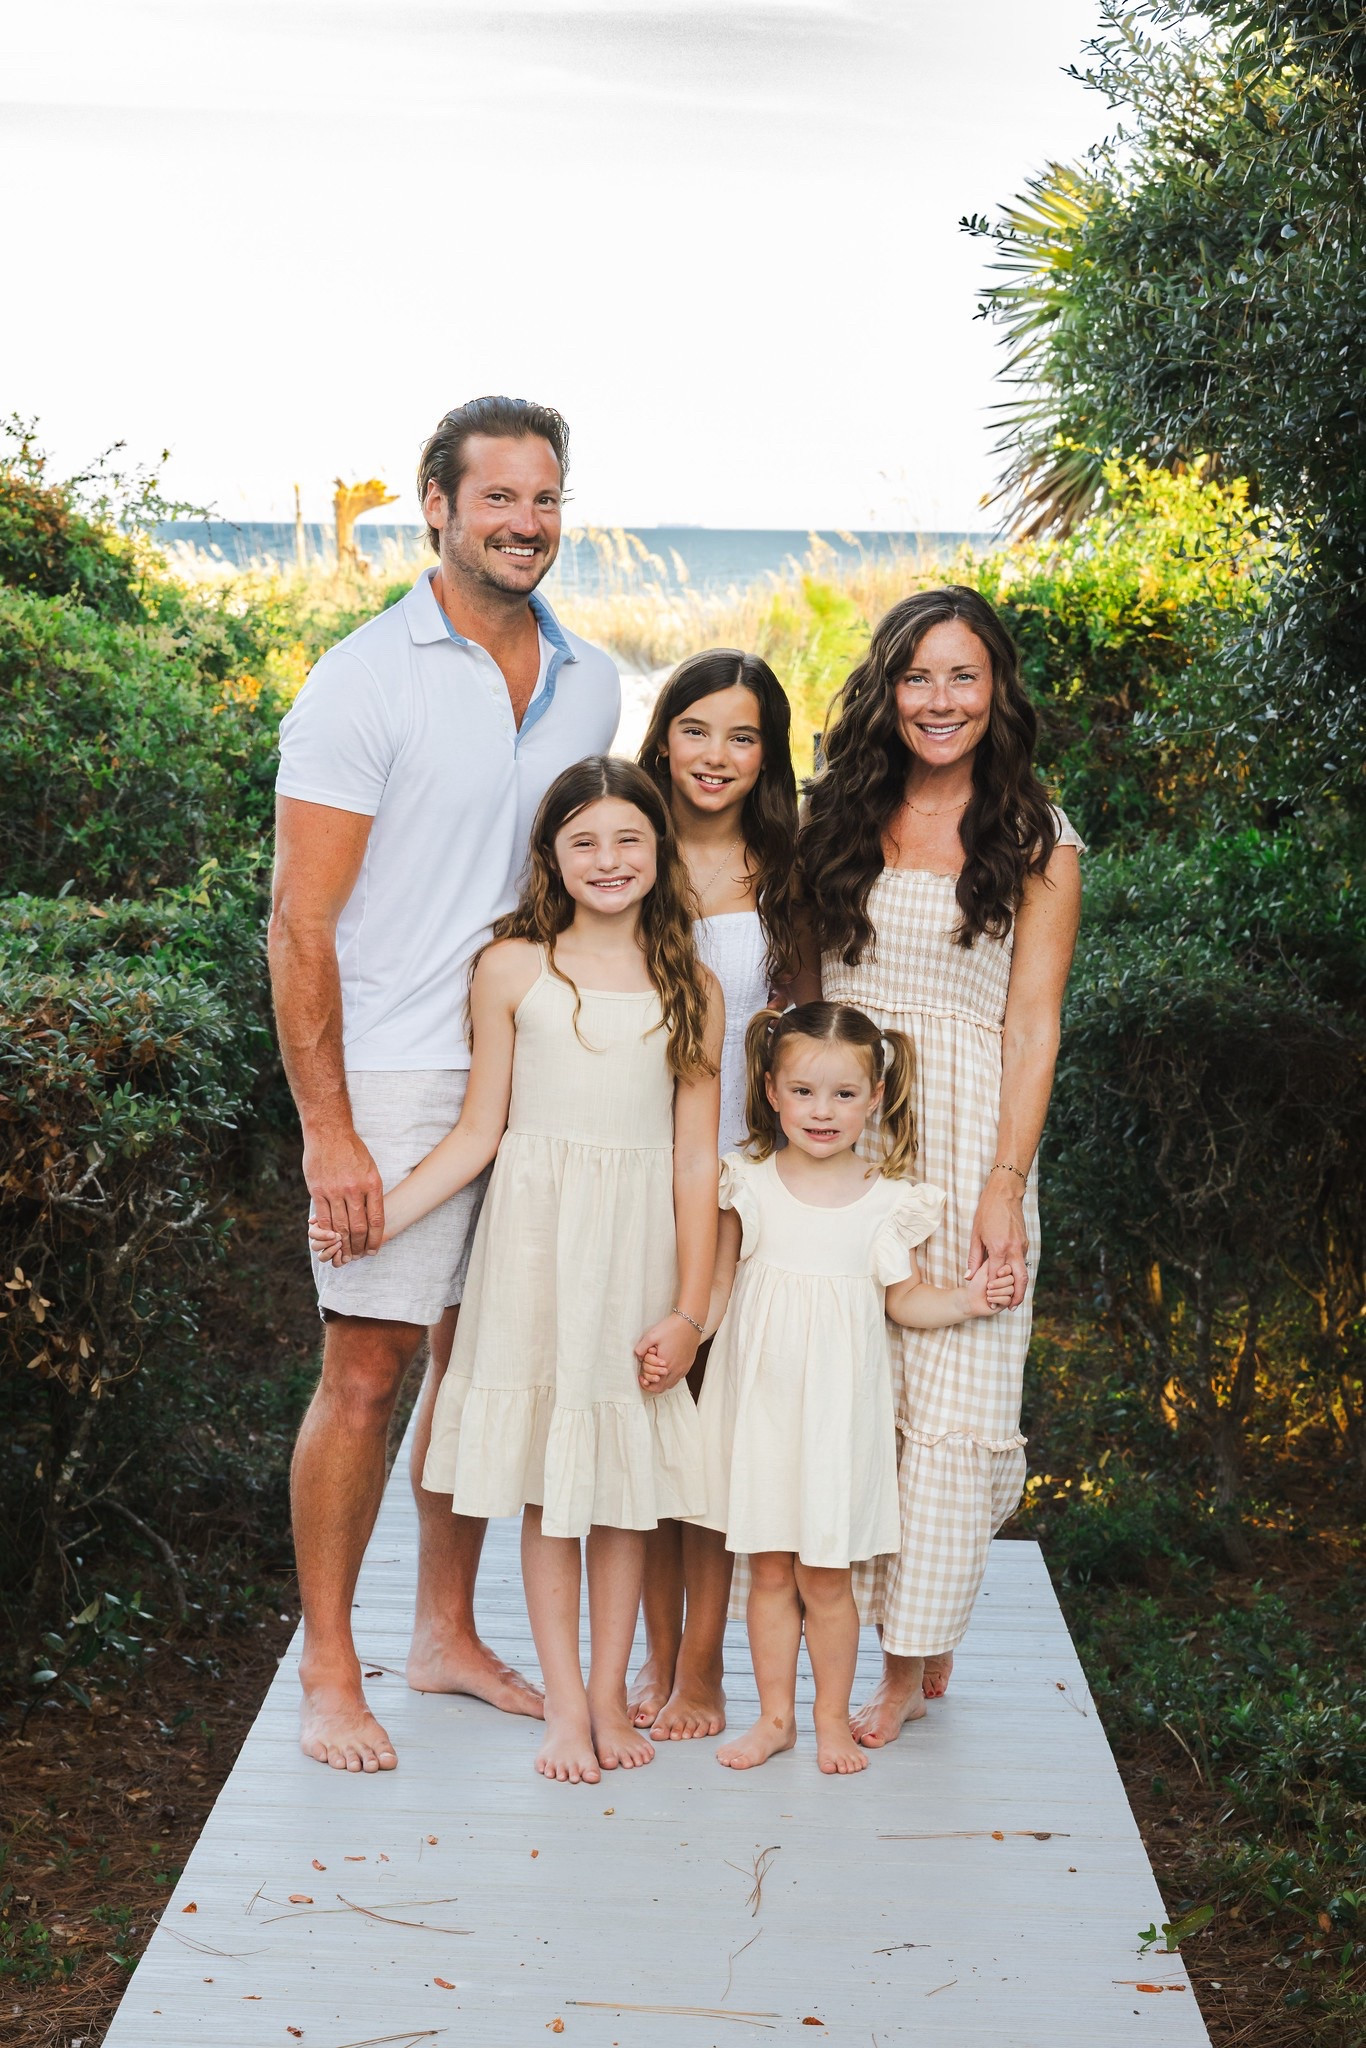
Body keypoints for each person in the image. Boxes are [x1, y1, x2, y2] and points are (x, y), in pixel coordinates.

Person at [269, 396, 620, 1773]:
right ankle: (329, 1665)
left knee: (482, 1369)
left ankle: (442, 1635)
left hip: (535, 1067)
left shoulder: (589, 677)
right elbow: (300, 925)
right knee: (367, 1372)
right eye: (498, 500)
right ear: (436, 504)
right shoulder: (362, 678)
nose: (526, 525)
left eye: (545, 500)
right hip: (400, 1073)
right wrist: (329, 1130)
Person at [312, 758, 724, 1786]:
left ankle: (603, 1689)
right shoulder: (512, 970)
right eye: (583, 840)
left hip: (637, 1250)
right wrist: (382, 1220)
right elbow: (475, 1132)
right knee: (550, 1485)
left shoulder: (691, 985)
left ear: (658, 851)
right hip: (535, 1250)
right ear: (549, 857)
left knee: (624, 1487)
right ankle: (563, 1708)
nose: (608, 859)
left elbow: (694, 1159)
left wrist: (689, 1308)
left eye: (629, 838)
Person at [798, 585, 1083, 1745]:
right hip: (843, 1124)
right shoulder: (837, 813)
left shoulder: (1035, 839)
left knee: (954, 1395)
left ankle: (907, 1662)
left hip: (968, 1133)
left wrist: (1003, 1186)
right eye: (918, 674)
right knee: (860, 1387)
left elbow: (1034, 1025)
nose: (939, 699)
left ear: (997, 690)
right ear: (887, 685)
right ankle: (901, 1625)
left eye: (962, 676)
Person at [643, 1002, 1011, 1775]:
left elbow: (903, 1299)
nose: (822, 1111)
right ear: (772, 1090)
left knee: (827, 1578)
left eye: (844, 1095)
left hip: (839, 1423)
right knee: (770, 1573)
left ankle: (831, 1721)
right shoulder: (747, 1183)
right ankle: (775, 1718)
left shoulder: (887, 1201)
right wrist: (682, 1335)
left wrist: (969, 1300)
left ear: (875, 1098)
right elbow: (715, 1288)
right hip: (763, 1414)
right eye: (804, 1091)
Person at [626, 649, 805, 1740]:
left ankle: (701, 1670)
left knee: (708, 1437)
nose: (717, 755)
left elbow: (809, 1028)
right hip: (625, 1161)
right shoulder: (619, 848)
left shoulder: (789, 874)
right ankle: (652, 1654)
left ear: (767, 755)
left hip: (736, 1179)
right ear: (663, 735)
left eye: (743, 736)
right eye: (697, 729)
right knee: (641, 1416)